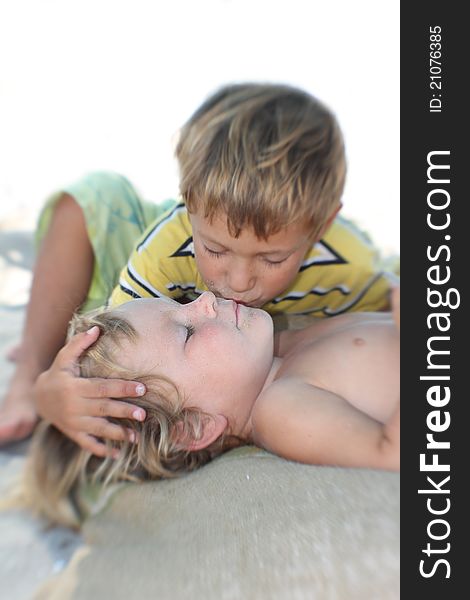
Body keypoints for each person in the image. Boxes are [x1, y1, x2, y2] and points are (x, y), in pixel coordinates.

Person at [0, 82, 398, 451]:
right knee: (89, 199)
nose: (237, 282)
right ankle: (30, 365)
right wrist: (48, 391)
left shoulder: (348, 261)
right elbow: (121, 350)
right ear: (187, 207)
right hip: (144, 289)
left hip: (214, 332)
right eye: (217, 250)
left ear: (321, 227)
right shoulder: (165, 251)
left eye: (272, 258)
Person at [24, 287, 400, 529]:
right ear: (195, 426)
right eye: (187, 332)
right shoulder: (281, 408)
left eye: (181, 303)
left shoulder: (281, 346)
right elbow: (390, 453)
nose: (204, 299)